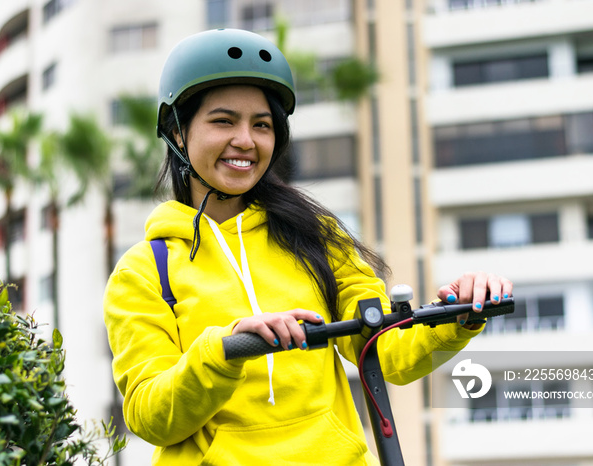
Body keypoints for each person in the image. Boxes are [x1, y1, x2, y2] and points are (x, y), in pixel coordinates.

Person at [103, 28, 512, 466]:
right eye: (223, 121)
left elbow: (386, 352)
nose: (246, 140)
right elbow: (149, 417)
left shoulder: (314, 235)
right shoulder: (143, 272)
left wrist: (461, 314)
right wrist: (224, 349)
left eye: (261, 125)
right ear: (178, 133)